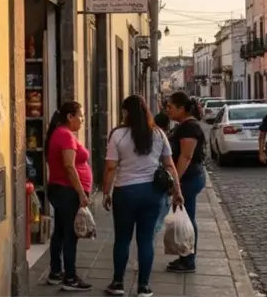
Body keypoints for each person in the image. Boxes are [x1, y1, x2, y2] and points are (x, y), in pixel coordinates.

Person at [103, 96, 184, 297]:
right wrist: (178, 192)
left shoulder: (118, 135)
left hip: (125, 193)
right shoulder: (158, 134)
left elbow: (111, 167)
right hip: (151, 193)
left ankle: (118, 283)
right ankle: (143, 286)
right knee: (146, 240)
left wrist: (106, 192)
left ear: (126, 112)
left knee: (122, 239)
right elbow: (169, 165)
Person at [44, 101, 93, 291]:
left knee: (60, 231)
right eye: (81, 116)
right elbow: (69, 167)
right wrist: (81, 192)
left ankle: (56, 272)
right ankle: (70, 277)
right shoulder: (65, 135)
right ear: (70, 117)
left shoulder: (60, 134)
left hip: (60, 190)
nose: (82, 120)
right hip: (67, 191)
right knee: (70, 235)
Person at [165, 91, 207, 273]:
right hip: (188, 177)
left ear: (181, 108)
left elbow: (186, 156)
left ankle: (189, 259)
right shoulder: (183, 126)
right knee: (186, 217)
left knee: (187, 219)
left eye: (170, 107)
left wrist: (176, 181)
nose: (167, 110)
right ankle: (185, 255)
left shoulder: (189, 128)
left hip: (188, 178)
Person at [153, 112, 173, 237]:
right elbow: (169, 164)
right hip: (162, 181)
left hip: (159, 181)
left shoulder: (158, 136)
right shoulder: (163, 137)